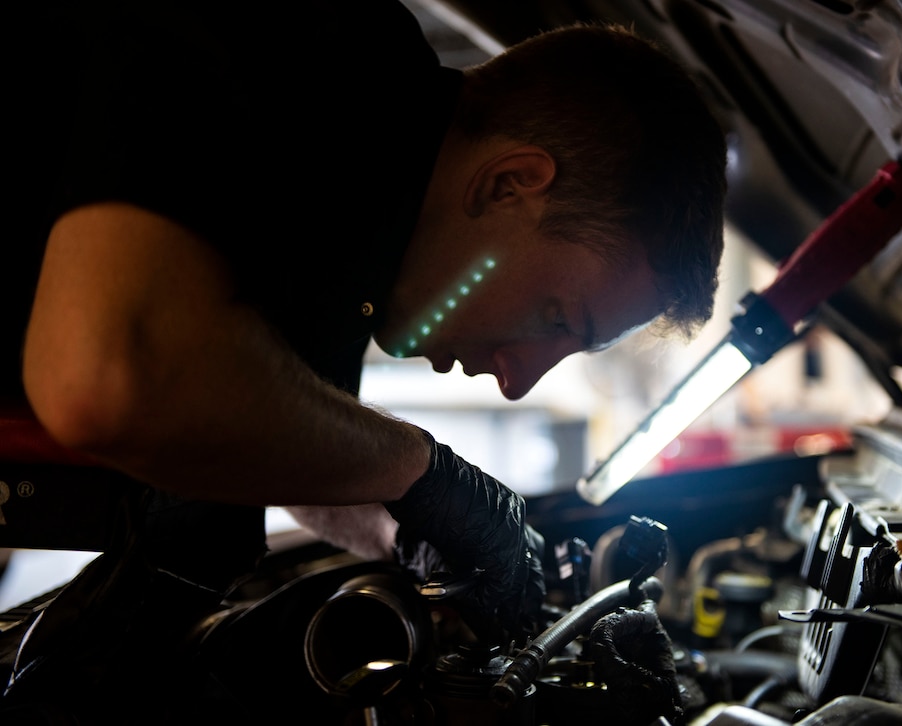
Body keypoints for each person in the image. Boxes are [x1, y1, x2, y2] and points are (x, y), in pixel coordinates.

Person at [4, 0, 726, 631]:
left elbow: (282, 439)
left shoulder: (368, 213)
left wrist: (420, 535)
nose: (518, 381)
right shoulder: (273, 42)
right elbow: (113, 382)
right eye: (557, 318)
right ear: (508, 184)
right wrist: (422, 471)